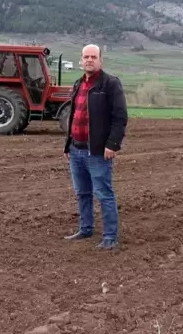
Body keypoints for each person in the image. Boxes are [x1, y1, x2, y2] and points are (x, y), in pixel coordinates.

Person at [63, 44, 128, 250]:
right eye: (86, 57)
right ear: (81, 60)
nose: (89, 60)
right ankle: (86, 228)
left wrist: (112, 145)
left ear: (100, 60)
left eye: (93, 56)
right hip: (76, 150)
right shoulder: (78, 84)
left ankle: (110, 237)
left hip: (98, 151)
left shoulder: (110, 84)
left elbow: (120, 118)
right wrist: (68, 146)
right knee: (82, 192)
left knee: (103, 193)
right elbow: (74, 116)